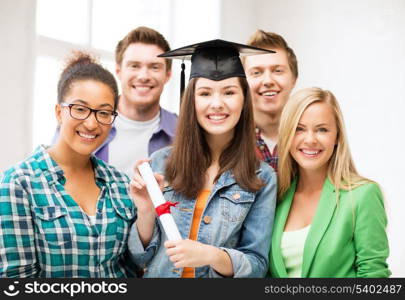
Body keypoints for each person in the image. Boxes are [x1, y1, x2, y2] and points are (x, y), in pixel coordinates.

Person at [128, 40, 277, 278]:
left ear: (243, 99)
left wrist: (211, 255)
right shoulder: (160, 163)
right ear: (192, 100)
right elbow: (138, 258)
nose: (216, 104)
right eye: (205, 93)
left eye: (229, 92)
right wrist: (145, 210)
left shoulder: (262, 177)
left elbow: (257, 266)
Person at [0, 52, 136, 277]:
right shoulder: (18, 183)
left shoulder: (121, 183)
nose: (91, 123)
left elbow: (132, 268)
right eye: (80, 109)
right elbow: (16, 280)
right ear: (59, 112)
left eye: (103, 112)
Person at [269, 87, 390, 277]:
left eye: (322, 129)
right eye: (299, 129)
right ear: (287, 135)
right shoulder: (276, 197)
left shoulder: (362, 195)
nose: (310, 140)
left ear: (337, 137)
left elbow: (373, 275)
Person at [52, 27, 177, 178]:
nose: (143, 76)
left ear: (168, 75)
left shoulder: (183, 132)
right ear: (118, 71)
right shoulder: (82, 123)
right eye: (134, 66)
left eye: (154, 67)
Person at [244, 29, 298, 171]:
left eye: (278, 70)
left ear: (293, 79)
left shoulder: (310, 140)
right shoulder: (228, 140)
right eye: (256, 72)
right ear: (242, 82)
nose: (268, 81)